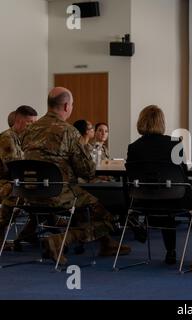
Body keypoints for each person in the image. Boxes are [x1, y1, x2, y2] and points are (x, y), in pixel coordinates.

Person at [18, 87, 130, 264]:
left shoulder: (28, 130)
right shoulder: (69, 132)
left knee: (81, 203)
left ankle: (107, 244)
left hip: (28, 193)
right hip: (59, 194)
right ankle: (61, 240)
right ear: (65, 106)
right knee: (108, 215)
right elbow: (87, 171)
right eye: (71, 105)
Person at [126, 105, 185, 265]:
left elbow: (130, 174)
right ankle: (171, 252)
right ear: (162, 122)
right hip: (173, 198)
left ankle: (133, 218)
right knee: (168, 205)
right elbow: (182, 174)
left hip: (141, 199)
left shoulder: (134, 147)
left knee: (157, 201)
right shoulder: (174, 143)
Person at [0, 105, 38, 248]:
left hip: (15, 180)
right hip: (5, 182)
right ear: (20, 121)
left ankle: (29, 232)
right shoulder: (7, 138)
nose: (33, 127)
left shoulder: (21, 138)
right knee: (18, 192)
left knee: (45, 194)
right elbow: (14, 168)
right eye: (30, 123)